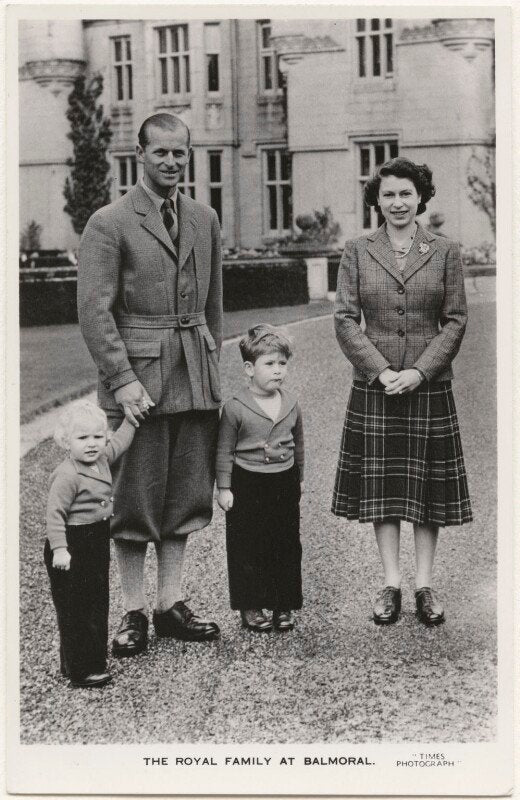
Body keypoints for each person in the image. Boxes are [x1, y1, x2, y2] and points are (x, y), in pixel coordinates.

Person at [78, 113, 223, 657]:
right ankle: (134, 611)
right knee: (133, 498)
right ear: (139, 154)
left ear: (189, 154)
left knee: (185, 494)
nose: (171, 161)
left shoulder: (205, 217)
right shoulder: (109, 222)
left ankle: (171, 604)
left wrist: (211, 368)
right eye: (160, 152)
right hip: (137, 380)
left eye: (180, 153)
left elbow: (213, 308)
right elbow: (95, 312)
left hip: (193, 373)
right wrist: (122, 381)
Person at [332, 157, 472, 627]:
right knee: (384, 489)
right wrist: (379, 370)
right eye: (389, 194)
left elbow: (455, 320)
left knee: (428, 491)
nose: (398, 203)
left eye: (406, 194)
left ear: (421, 198)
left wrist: (421, 371)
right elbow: (346, 319)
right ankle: (390, 583)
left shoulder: (446, 250)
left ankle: (424, 586)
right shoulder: (356, 249)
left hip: (427, 388)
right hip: (377, 388)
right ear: (376, 199)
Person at [216, 325, 304, 633]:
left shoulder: (291, 403)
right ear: (249, 368)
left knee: (285, 543)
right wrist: (224, 487)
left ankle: (284, 605)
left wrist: (298, 479)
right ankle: (250, 605)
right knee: (246, 545)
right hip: (247, 482)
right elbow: (224, 450)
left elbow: (298, 443)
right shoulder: (235, 408)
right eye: (270, 364)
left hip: (283, 481)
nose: (278, 371)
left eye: (282, 363)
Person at [45, 402, 135, 687]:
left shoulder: (101, 460)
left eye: (97, 436)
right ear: (66, 442)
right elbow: (55, 514)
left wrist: (131, 421)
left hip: (95, 540)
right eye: (82, 438)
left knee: (96, 601)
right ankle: (81, 670)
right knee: (75, 608)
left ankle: (81, 662)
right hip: (71, 545)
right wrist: (60, 548)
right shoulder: (68, 474)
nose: (92, 444)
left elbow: (120, 443)